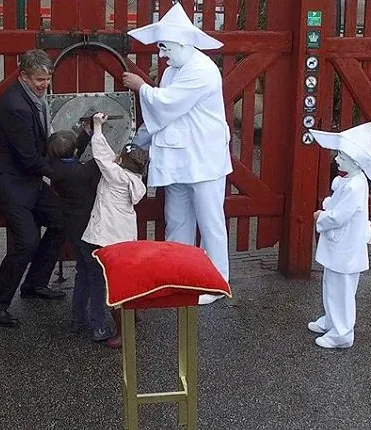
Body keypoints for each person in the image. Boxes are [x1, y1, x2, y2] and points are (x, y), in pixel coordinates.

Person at [122, 3, 232, 305]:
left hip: (204, 159)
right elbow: (164, 115)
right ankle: (180, 273)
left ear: (183, 43)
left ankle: (217, 280)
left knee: (210, 223)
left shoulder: (202, 70)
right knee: (177, 219)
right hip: (179, 158)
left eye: (165, 47)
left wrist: (142, 86)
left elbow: (167, 103)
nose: (162, 54)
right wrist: (137, 142)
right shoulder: (174, 70)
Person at [0, 49, 65, 328]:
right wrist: (68, 171)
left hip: (26, 179)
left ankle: (35, 284)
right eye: (38, 79)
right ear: (23, 76)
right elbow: (29, 160)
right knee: (26, 242)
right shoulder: (16, 107)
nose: (44, 85)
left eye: (47, 79)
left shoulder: (34, 100)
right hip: (9, 182)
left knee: (61, 219)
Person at [308, 122, 371, 349]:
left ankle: (342, 332)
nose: (337, 160)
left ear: (355, 161)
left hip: (345, 247)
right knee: (331, 283)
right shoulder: (350, 182)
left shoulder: (355, 186)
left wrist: (320, 217)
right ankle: (332, 319)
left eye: (341, 157)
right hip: (340, 247)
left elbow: (339, 216)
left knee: (342, 288)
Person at [81, 113, 148, 348]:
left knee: (113, 286)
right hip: (125, 235)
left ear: (122, 162)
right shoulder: (132, 178)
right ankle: (137, 312)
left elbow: (101, 156)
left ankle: (123, 333)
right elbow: (109, 157)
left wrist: (97, 127)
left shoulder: (116, 176)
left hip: (109, 237)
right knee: (128, 278)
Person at [47, 128, 102, 338]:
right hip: (88, 229)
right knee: (96, 275)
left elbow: (74, 155)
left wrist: (87, 133)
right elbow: (99, 159)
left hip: (71, 228)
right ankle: (99, 325)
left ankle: (77, 319)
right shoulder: (81, 172)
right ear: (75, 151)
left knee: (82, 272)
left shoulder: (55, 168)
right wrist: (98, 133)